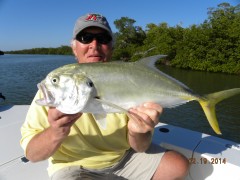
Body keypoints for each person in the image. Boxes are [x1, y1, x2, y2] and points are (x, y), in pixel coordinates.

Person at [20, 13, 189, 180]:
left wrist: (140, 132)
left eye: (102, 38)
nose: (94, 45)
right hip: (74, 166)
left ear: (111, 47)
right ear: (74, 47)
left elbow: (140, 148)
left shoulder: (129, 80)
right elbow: (33, 155)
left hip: (124, 159)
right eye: (86, 38)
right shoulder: (50, 93)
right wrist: (57, 131)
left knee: (177, 166)